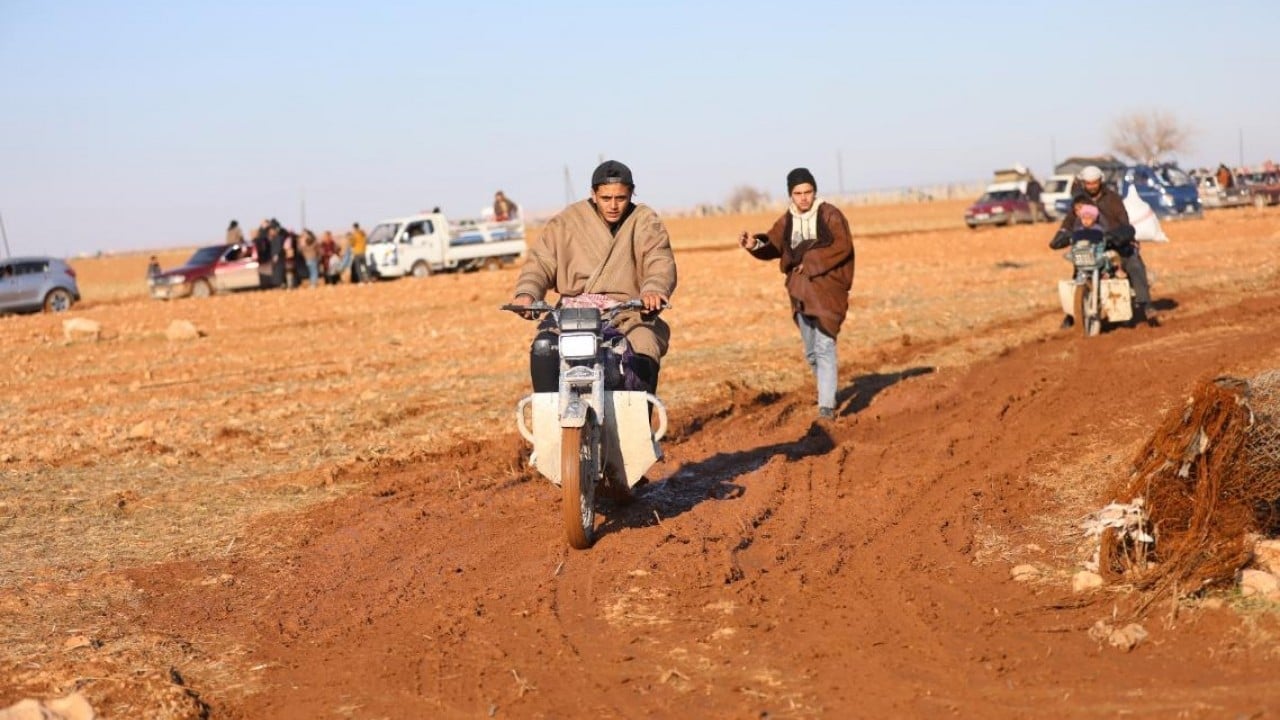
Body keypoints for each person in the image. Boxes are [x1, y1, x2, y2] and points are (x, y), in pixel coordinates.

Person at [510, 160, 676, 395]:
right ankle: (546, 422)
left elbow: (658, 260)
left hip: (626, 313)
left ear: (631, 193)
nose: (613, 206)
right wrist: (527, 293)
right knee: (544, 346)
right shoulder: (567, 221)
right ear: (593, 194)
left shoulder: (645, 221)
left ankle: (639, 424)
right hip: (572, 313)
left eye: (621, 198)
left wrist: (653, 289)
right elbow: (540, 262)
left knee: (644, 344)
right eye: (606, 198)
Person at [738, 168, 855, 420]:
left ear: (815, 191)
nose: (803, 198)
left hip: (827, 293)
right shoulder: (788, 220)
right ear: (791, 195)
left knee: (825, 347)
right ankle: (829, 391)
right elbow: (773, 243)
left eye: (808, 192)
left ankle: (826, 408)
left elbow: (842, 246)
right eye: (798, 193)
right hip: (799, 293)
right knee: (812, 352)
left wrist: (811, 261)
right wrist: (754, 245)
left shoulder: (830, 215)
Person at [1050, 166, 1156, 327]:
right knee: (1078, 272)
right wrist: (1060, 236)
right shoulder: (1080, 201)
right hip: (1091, 247)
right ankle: (1072, 316)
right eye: (1088, 183)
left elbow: (1124, 222)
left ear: (1101, 181)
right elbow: (1069, 223)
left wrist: (1119, 235)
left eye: (1095, 183)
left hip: (1115, 244)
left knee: (1134, 264)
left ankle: (1146, 305)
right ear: (1083, 183)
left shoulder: (1113, 199)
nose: (1092, 186)